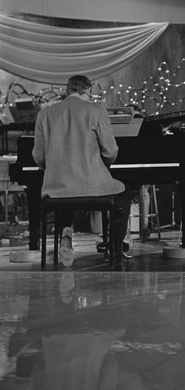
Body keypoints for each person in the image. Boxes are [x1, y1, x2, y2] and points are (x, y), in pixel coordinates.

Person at [32, 75, 133, 266]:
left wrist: (56, 170)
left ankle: (66, 233)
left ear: (68, 91)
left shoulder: (44, 114)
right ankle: (115, 247)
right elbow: (111, 150)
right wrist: (101, 167)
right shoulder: (96, 110)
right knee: (126, 192)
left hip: (56, 186)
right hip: (92, 184)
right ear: (87, 90)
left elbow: (38, 156)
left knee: (68, 191)